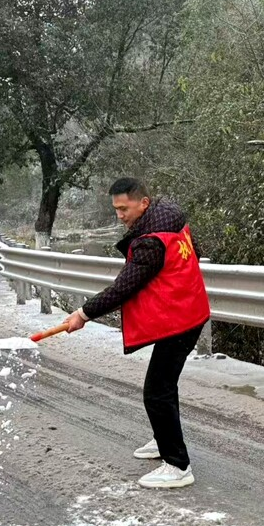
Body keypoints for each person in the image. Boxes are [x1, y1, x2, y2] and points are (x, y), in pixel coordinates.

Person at [64, 177, 210, 488]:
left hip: (181, 320)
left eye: (124, 208)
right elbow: (193, 252)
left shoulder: (150, 242)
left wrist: (83, 313)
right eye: (115, 209)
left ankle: (178, 465)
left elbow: (123, 288)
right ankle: (163, 440)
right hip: (187, 310)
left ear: (143, 203)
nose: (120, 215)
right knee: (163, 387)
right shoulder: (171, 214)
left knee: (157, 391)